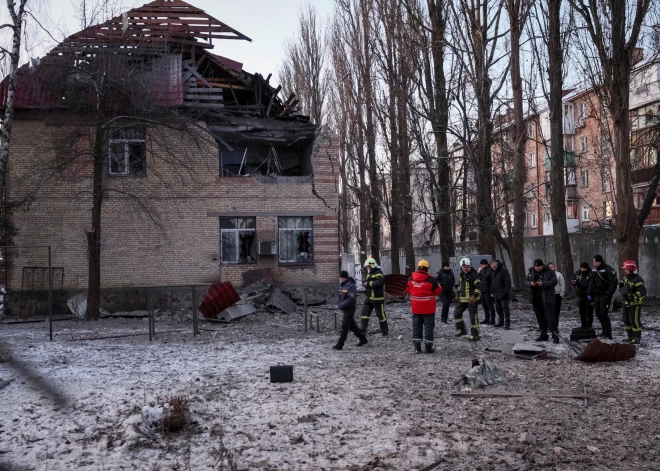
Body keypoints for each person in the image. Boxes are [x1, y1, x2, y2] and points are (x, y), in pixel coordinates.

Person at [407, 260, 442, 353]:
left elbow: (408, 290)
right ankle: (428, 347)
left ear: (418, 267)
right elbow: (438, 291)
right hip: (428, 309)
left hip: (415, 308)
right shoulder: (431, 280)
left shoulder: (410, 279)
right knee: (429, 327)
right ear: (427, 268)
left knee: (416, 326)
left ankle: (417, 348)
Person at [525, 259, 559, 343]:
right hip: (536, 299)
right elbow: (525, 281)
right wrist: (531, 284)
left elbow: (554, 281)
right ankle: (543, 335)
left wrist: (543, 283)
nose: (537, 268)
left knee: (550, 319)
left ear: (542, 265)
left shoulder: (549, 271)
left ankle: (555, 336)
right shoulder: (531, 272)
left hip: (547, 299)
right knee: (540, 319)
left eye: (539, 266)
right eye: (536, 266)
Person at [333, 271, 368, 350]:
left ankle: (340, 344)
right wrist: (339, 303)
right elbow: (340, 295)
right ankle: (363, 338)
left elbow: (351, 298)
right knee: (352, 326)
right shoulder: (343, 285)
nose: (339, 279)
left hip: (350, 308)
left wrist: (342, 305)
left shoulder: (351, 285)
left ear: (343, 277)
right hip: (345, 308)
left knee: (345, 326)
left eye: (340, 277)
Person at [587, 254, 617, 340]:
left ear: (600, 261)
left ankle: (608, 332)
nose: (594, 263)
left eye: (596, 262)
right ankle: (604, 331)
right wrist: (589, 293)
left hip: (605, 294)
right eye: (593, 262)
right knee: (598, 313)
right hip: (597, 294)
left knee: (603, 313)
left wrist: (608, 293)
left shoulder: (608, 269)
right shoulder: (594, 270)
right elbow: (591, 282)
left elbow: (613, 283)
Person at [618, 260, 646, 344]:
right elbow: (624, 280)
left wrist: (634, 295)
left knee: (634, 320)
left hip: (634, 304)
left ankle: (636, 337)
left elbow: (643, 291)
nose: (625, 271)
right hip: (626, 303)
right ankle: (630, 336)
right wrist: (620, 284)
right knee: (626, 319)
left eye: (626, 269)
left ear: (631, 269)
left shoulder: (638, 280)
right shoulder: (627, 277)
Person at [453, 258, 482, 341]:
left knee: (473, 317)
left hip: (472, 300)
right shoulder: (462, 274)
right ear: (461, 267)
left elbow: (478, 287)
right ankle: (461, 330)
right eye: (463, 267)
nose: (465, 268)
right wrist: (457, 294)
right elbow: (460, 285)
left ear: (470, 266)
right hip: (463, 299)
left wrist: (474, 296)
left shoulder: (474, 274)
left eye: (467, 267)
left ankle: (475, 334)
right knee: (457, 313)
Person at [360, 258, 389, 336]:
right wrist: (365, 284)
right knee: (364, 313)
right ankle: (362, 330)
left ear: (372, 265)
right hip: (369, 298)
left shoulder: (379, 273)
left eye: (368, 266)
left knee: (381, 315)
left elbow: (379, 283)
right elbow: (370, 282)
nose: (367, 268)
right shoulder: (370, 273)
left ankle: (384, 331)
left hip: (377, 298)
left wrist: (368, 284)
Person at [490, 259, 512, 329]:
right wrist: (492, 291)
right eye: (492, 267)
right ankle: (501, 321)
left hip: (503, 292)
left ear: (497, 265)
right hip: (496, 293)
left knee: (505, 308)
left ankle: (507, 323)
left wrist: (506, 292)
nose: (493, 268)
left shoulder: (503, 270)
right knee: (498, 308)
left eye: (494, 267)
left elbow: (507, 282)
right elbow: (492, 282)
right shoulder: (493, 272)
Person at [571, 262, 594, 329]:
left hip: (588, 295)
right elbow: (574, 277)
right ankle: (583, 324)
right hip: (580, 295)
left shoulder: (590, 274)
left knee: (589, 311)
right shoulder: (578, 272)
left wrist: (579, 284)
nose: (582, 270)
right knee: (582, 311)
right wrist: (574, 281)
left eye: (584, 268)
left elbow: (589, 285)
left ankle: (589, 325)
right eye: (581, 268)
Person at [478, 259, 495, 325]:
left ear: (486, 264)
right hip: (483, 290)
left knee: (490, 305)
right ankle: (486, 318)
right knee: (484, 305)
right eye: (481, 264)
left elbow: (487, 277)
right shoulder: (483, 271)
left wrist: (481, 272)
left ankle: (492, 319)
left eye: (483, 264)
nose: (482, 266)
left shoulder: (489, 270)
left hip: (488, 290)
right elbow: (480, 279)